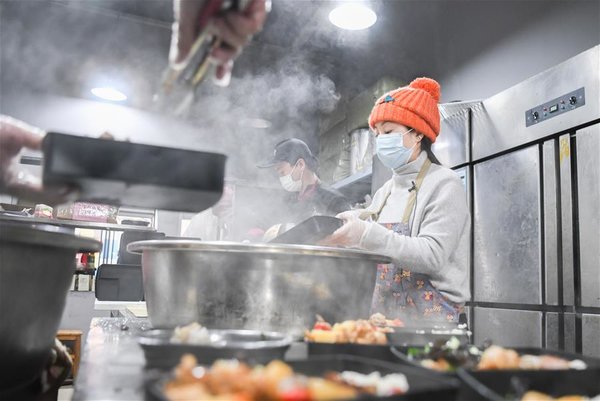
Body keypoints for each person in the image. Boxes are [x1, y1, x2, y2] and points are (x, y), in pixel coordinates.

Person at [323, 77, 470, 325]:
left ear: (417, 133)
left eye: (389, 132)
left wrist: (366, 234)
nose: (381, 140)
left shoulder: (445, 183)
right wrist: (343, 236)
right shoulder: (386, 192)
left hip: (433, 325)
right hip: (385, 321)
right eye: (377, 133)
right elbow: (374, 246)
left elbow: (432, 255)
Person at [258, 138, 352, 225]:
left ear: (300, 165)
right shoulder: (290, 201)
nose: (281, 178)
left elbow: (348, 237)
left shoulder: (334, 200)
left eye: (282, 172)